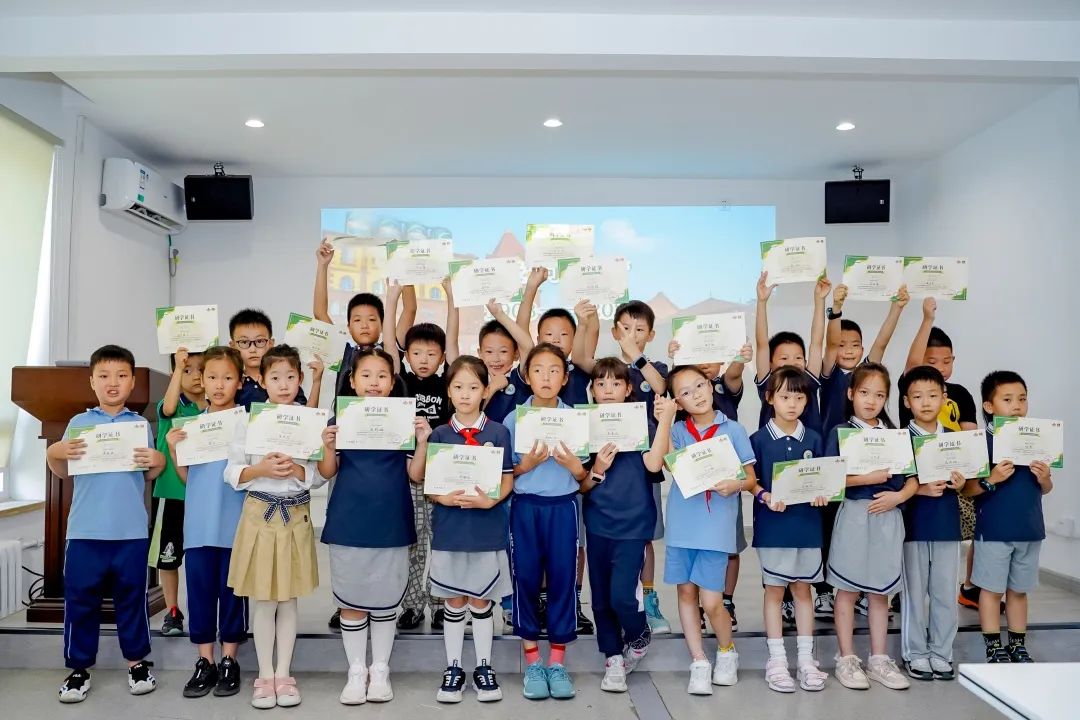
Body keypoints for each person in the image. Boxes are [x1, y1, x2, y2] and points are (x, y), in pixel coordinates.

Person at [48, 345, 166, 703]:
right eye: (103, 375)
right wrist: (54, 452)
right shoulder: (79, 423)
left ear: (132, 382)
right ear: (92, 381)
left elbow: (149, 474)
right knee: (80, 601)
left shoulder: (140, 425)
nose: (112, 382)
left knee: (132, 600)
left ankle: (137, 663)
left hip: (130, 532)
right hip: (85, 532)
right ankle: (78, 670)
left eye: (121, 375)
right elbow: (61, 470)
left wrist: (158, 459)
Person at [317, 346, 432, 704]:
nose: (374, 382)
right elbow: (327, 472)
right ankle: (356, 671)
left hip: (391, 519)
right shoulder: (339, 420)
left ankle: (380, 670)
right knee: (351, 599)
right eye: (365, 375)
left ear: (392, 382)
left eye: (382, 376)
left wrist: (423, 442)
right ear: (352, 381)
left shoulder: (403, 421)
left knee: (384, 601)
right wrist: (327, 446)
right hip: (348, 520)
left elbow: (416, 475)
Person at [225, 345, 329, 708]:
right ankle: (264, 674)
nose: (283, 385)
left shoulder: (309, 420)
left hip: (295, 516)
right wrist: (261, 469)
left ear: (300, 380)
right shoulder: (249, 420)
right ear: (262, 381)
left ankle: (284, 674)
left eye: (290, 377)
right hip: (259, 514)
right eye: (275, 377)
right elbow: (232, 471)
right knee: (264, 599)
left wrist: (298, 470)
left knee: (288, 598)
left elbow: (319, 475)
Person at [579, 358, 676, 693]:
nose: (608, 390)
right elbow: (581, 484)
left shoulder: (642, 424)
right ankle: (613, 658)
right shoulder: (585, 427)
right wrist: (598, 468)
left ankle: (638, 635)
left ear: (629, 388)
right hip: (597, 522)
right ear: (592, 390)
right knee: (601, 600)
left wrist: (663, 421)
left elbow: (654, 465)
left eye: (616, 383)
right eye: (601, 384)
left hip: (634, 525)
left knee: (622, 597)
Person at [814, 283, 909, 619]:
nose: (848, 350)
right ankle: (826, 591)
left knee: (866, 530)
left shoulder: (867, 375)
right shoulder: (829, 376)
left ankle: (868, 592)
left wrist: (897, 308)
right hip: (837, 457)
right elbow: (829, 343)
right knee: (831, 529)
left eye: (855, 345)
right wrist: (836, 308)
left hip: (871, 466)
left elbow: (882, 342)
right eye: (843, 344)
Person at [575, 299, 671, 635]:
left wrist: (636, 355)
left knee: (644, 538)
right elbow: (580, 359)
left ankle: (648, 598)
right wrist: (586, 322)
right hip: (606, 474)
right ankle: (619, 619)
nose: (632, 334)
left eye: (639, 330)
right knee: (606, 549)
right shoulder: (607, 367)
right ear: (615, 332)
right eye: (625, 329)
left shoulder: (654, 367)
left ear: (651, 334)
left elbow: (662, 388)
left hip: (641, 465)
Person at [426, 356, 515, 703]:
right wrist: (442, 497)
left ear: (485, 391)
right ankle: (453, 668)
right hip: (450, 530)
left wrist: (491, 502)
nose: (465, 394)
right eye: (458, 387)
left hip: (486, 529)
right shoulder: (439, 434)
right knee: (453, 601)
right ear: (448, 391)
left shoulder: (498, 432)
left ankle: (483, 667)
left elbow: (507, 479)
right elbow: (431, 486)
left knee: (481, 600)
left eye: (473, 387)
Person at [664, 365, 757, 696]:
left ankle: (727, 651)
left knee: (712, 600)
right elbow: (667, 463)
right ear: (678, 401)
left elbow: (751, 479)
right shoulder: (677, 431)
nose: (696, 394)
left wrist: (736, 484)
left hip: (716, 527)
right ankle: (699, 661)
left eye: (700, 385)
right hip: (683, 525)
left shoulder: (733, 429)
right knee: (686, 594)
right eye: (685, 392)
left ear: (710, 385)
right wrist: (665, 419)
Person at [502, 343, 587, 700]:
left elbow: (584, 476)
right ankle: (533, 661)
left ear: (565, 378)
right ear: (527, 376)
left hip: (563, 507)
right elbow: (505, 473)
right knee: (524, 579)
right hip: (525, 507)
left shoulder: (576, 419)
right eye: (538, 370)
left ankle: (557, 662)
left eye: (554, 370)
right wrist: (526, 465)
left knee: (563, 581)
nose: (546, 377)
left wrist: (574, 466)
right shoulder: (514, 419)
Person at [163, 346, 249, 698]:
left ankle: (229, 660)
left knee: (233, 595)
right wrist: (173, 449)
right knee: (199, 594)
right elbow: (188, 478)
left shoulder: (247, 424)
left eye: (227, 378)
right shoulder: (192, 427)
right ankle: (205, 661)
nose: (218, 384)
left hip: (236, 525)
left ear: (239, 382)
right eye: (212, 377)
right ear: (203, 380)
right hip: (199, 526)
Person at [825, 363, 916, 691]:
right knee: (847, 590)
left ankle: (879, 659)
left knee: (881, 592)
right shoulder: (840, 433)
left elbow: (912, 479)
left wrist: (898, 496)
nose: (871, 400)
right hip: (854, 514)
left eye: (879, 395)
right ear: (851, 393)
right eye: (864, 392)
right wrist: (869, 478)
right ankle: (846, 658)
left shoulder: (894, 435)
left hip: (888, 516)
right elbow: (830, 480)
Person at [519, 270, 600, 634]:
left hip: (568, 485)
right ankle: (538, 605)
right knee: (533, 555)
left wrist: (587, 317)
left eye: (564, 334)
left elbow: (590, 336)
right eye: (548, 335)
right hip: (532, 491)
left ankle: (571, 605)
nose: (555, 340)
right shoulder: (522, 403)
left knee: (572, 548)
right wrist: (531, 288)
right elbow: (521, 331)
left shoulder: (580, 370)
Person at [748, 367, 830, 693]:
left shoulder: (815, 439)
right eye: (784, 397)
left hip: (807, 526)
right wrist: (764, 496)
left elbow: (825, 478)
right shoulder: (758, 440)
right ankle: (777, 660)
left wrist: (823, 493)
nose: (792, 403)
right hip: (773, 528)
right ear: (770, 398)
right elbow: (750, 481)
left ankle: (807, 660)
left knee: (803, 590)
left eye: (799, 397)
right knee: (774, 591)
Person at [899, 299, 983, 610]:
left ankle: (968, 588)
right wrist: (927, 318)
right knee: (915, 569)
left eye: (946, 361)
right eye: (932, 361)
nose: (940, 367)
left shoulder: (960, 394)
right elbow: (912, 367)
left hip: (953, 484)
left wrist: (963, 472)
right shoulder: (913, 388)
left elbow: (970, 439)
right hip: (916, 493)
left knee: (948, 565)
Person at [965, 371, 1053, 663]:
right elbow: (968, 489)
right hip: (994, 531)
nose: (1017, 405)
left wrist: (1044, 478)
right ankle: (993, 646)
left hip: (1030, 530)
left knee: (1019, 591)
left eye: (1022, 399)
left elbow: (1046, 488)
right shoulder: (981, 443)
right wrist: (992, 478)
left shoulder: (1037, 441)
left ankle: (1017, 644)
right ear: (989, 406)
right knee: (991, 591)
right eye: (1007, 399)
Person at [385, 281, 453, 631]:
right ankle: (411, 605)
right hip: (409, 472)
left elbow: (453, 341)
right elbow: (388, 345)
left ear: (441, 357)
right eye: (416, 353)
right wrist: (392, 298)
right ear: (407, 355)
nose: (424, 359)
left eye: (431, 354)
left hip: (442, 475)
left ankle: (441, 604)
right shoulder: (400, 383)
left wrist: (452, 296)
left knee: (441, 543)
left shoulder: (448, 384)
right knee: (413, 544)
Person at [899, 365, 966, 681]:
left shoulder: (957, 440)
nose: (925, 402)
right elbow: (893, 484)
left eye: (932, 395)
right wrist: (919, 488)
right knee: (914, 594)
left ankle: (941, 653)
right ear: (906, 401)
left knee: (944, 593)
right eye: (917, 396)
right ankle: (915, 653)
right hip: (911, 527)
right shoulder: (899, 440)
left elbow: (972, 484)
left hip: (947, 527)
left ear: (944, 398)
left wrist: (962, 483)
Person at [152, 346, 208, 637]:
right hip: (172, 495)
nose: (196, 376)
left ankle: (206, 611)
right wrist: (177, 367)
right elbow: (169, 408)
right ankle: (172, 610)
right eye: (188, 370)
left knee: (204, 558)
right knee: (169, 557)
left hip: (204, 496)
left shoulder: (213, 409)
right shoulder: (171, 405)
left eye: (201, 369)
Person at [753, 272, 828, 434]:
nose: (792, 362)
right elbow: (762, 345)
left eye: (798, 357)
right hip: (773, 450)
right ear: (770, 364)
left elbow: (816, 343)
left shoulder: (808, 381)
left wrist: (819, 300)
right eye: (784, 358)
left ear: (806, 363)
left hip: (810, 450)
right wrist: (762, 302)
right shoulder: (769, 383)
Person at [229, 309, 320, 410]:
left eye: (260, 341)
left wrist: (317, 382)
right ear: (232, 346)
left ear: (271, 343)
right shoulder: (231, 383)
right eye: (244, 342)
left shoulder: (287, 383)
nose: (252, 349)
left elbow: (306, 414)